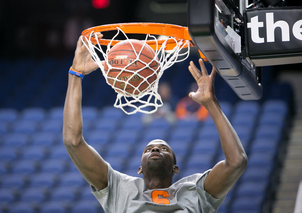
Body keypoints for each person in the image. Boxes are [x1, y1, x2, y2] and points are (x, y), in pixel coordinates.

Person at [63, 34, 248, 212]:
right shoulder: (120, 189)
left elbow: (236, 162)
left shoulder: (196, 191)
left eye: (164, 149)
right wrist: (75, 73)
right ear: (139, 169)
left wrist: (211, 103)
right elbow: (73, 141)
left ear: (175, 169)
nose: (155, 149)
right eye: (149, 149)